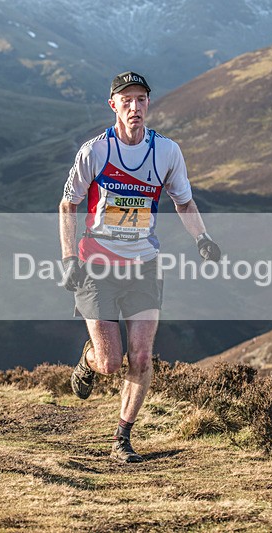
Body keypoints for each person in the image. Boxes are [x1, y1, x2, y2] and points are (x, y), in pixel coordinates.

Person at [58, 71, 221, 463]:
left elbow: (183, 201)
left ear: (148, 104)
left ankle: (122, 438)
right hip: (95, 262)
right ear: (112, 105)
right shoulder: (95, 151)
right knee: (110, 362)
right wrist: (67, 258)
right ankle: (89, 359)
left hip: (144, 264)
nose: (134, 107)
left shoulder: (166, 152)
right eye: (126, 100)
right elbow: (69, 204)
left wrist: (203, 239)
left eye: (141, 100)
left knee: (143, 357)